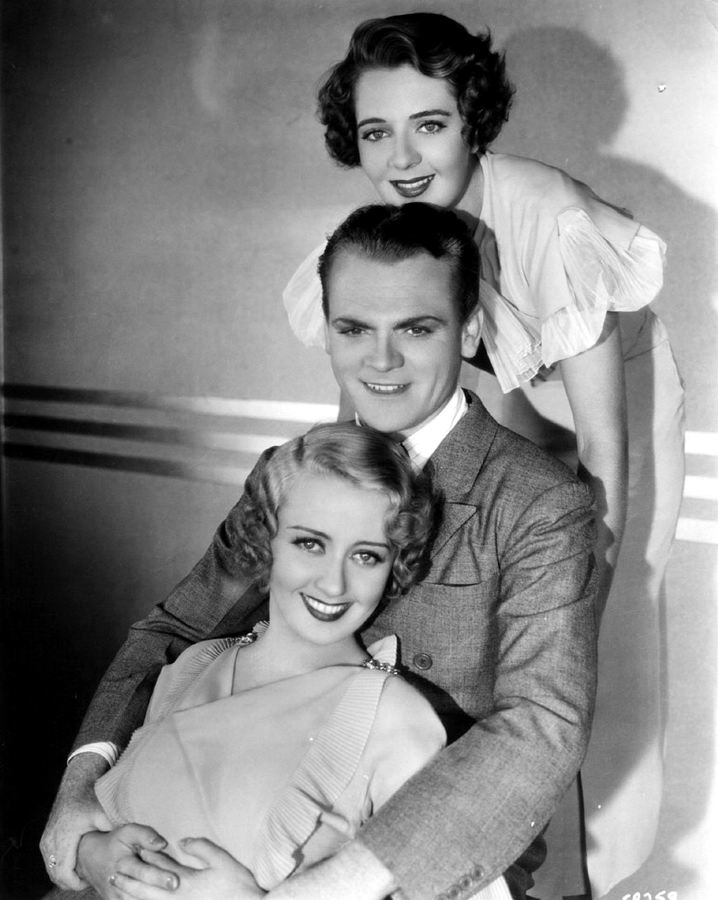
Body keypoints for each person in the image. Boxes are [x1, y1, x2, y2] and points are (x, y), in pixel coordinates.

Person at [41, 203, 598, 900]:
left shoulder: (539, 500)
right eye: (354, 328)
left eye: (416, 328)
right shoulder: (294, 470)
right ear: (327, 331)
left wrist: (310, 893)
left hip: (420, 863)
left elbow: (541, 728)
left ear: (468, 330)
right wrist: (80, 793)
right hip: (246, 818)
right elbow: (176, 629)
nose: (381, 360)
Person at [281, 13, 685, 897]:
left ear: (473, 120)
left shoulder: (545, 216)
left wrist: (577, 600)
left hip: (614, 408)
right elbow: (364, 415)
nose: (402, 156)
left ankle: (594, 878)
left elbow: (600, 445)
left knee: (591, 647)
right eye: (376, 132)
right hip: (512, 383)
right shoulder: (386, 233)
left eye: (429, 124)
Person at [49, 422, 516, 899]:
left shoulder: (398, 720)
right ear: (263, 539)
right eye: (310, 544)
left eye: (366, 556)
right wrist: (92, 851)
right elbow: (108, 831)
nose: (333, 584)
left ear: (394, 565)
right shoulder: (192, 666)